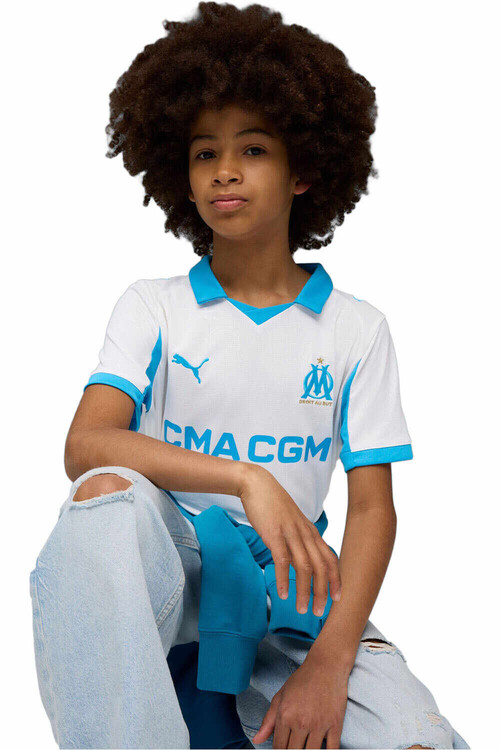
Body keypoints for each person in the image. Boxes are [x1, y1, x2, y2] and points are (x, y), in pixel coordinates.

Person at [29, 3, 470, 749]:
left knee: (421, 742)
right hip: (167, 573)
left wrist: (329, 666)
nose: (225, 170)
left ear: (305, 171)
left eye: (254, 149)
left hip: (294, 591)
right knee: (103, 498)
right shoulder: (153, 306)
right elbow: (86, 444)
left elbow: (372, 510)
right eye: (205, 152)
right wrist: (246, 479)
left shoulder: (356, 330)